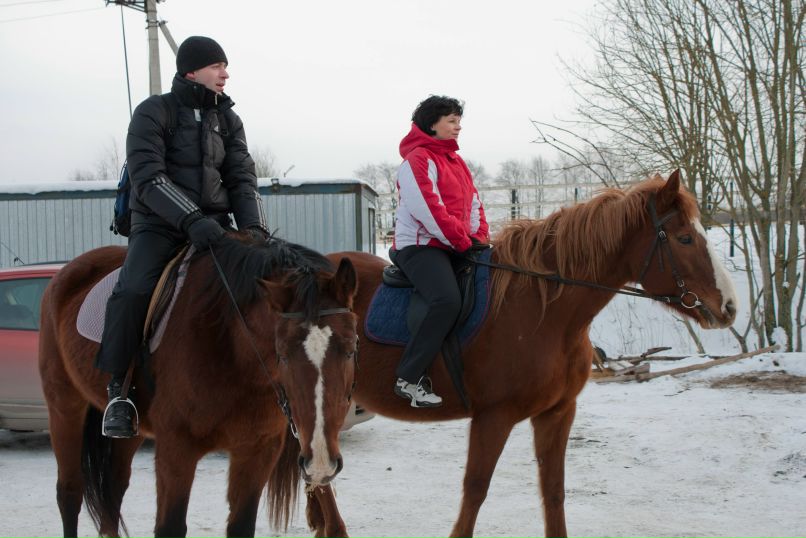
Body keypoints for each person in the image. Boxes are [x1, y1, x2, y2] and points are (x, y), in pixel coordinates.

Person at [96, 36, 269, 437]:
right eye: (216, 66)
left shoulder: (228, 119)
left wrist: (255, 233)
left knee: (263, 284)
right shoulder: (154, 112)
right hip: (158, 225)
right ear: (192, 70)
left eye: (225, 67)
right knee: (135, 289)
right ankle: (118, 391)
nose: (225, 74)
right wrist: (191, 219)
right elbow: (148, 177)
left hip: (214, 224)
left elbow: (243, 178)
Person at [390, 95, 489, 408]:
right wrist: (462, 241)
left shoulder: (457, 162)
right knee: (446, 300)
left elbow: (474, 204)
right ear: (432, 124)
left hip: (452, 243)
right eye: (451, 121)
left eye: (459, 121)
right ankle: (409, 376)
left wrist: (479, 239)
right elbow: (427, 210)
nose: (458, 127)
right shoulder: (417, 160)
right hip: (421, 246)